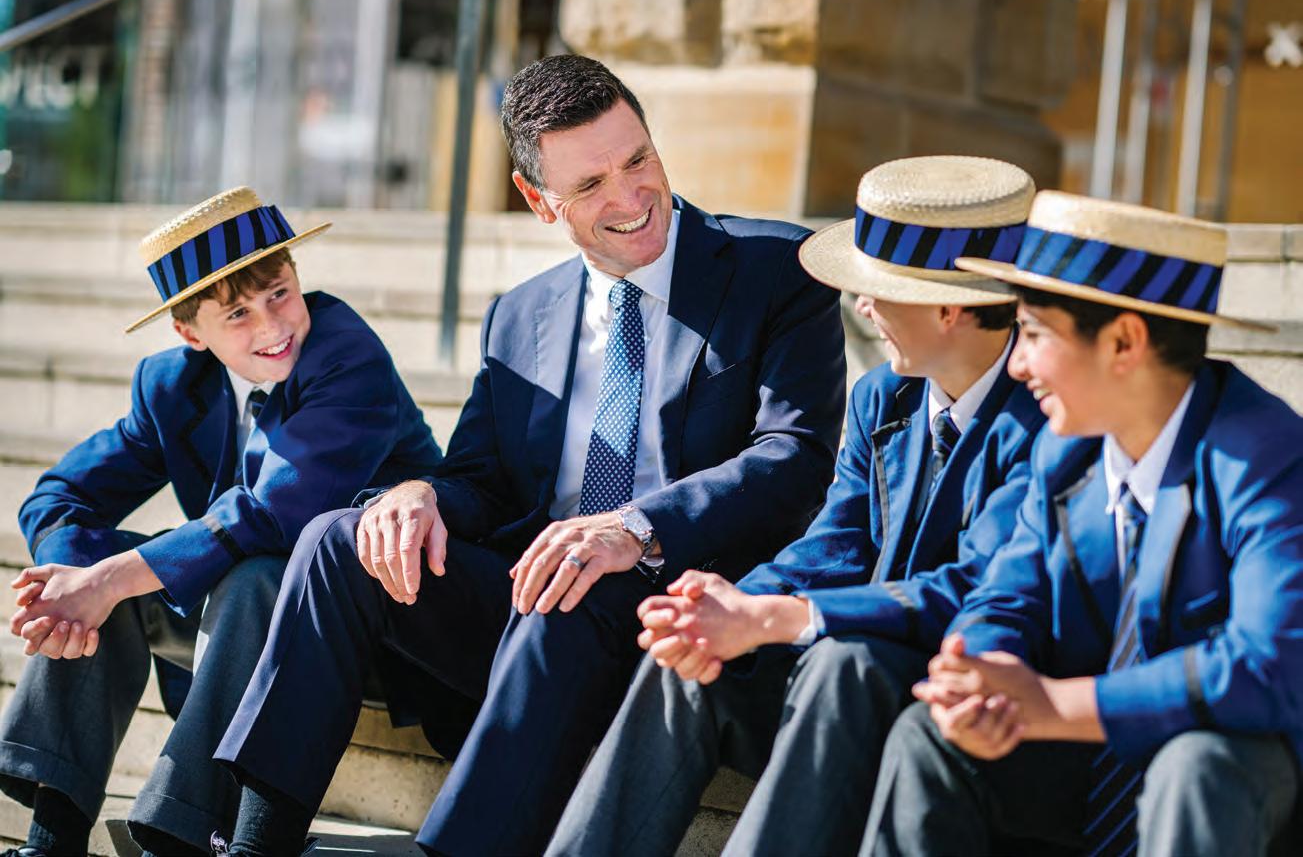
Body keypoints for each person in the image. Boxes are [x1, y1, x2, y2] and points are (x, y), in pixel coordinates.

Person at [213, 53, 847, 856]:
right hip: (536, 610)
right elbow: (481, 480)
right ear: (537, 199)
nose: (630, 197)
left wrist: (634, 528)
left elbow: (794, 458)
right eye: (590, 185)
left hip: (686, 603)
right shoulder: (520, 315)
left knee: (568, 582)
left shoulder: (777, 269)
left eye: (638, 160)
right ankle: (255, 845)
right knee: (339, 539)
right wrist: (419, 495)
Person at [546, 155, 1047, 857]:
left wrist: (783, 616)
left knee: (842, 662)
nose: (861, 307)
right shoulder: (884, 396)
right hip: (848, 675)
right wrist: (732, 605)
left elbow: (975, 588)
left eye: (878, 289)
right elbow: (835, 543)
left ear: (949, 307)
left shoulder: (1050, 416)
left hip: (962, 704)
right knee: (692, 650)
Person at [0, 187, 443, 857]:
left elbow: (275, 512)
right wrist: (73, 585)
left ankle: (178, 836)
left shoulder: (346, 355)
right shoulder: (172, 387)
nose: (271, 324)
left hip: (368, 623)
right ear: (191, 334)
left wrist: (108, 580)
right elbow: (59, 494)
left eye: (279, 292)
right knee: (95, 571)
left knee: (252, 574)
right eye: (236, 313)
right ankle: (52, 840)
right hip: (241, 627)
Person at [865, 190, 1302, 856]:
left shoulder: (1265, 454)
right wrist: (981, 673)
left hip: (1245, 786)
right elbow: (1005, 596)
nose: (1016, 364)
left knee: (1196, 765)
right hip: (1090, 771)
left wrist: (1058, 704)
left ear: (1124, 342)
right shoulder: (1063, 450)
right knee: (929, 733)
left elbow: (1266, 665)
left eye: (1034, 334)